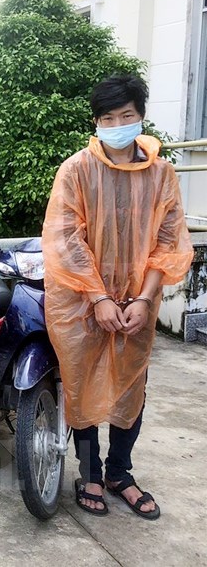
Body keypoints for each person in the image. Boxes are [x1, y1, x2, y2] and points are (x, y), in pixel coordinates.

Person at [42, 75, 192, 520]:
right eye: (107, 118)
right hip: (81, 300)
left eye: (126, 115)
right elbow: (66, 240)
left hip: (138, 301)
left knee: (131, 384)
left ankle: (119, 474)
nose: (117, 125)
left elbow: (168, 241)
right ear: (96, 122)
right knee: (82, 382)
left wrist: (143, 300)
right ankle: (90, 474)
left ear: (141, 116)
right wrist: (99, 297)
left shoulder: (162, 174)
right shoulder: (76, 170)